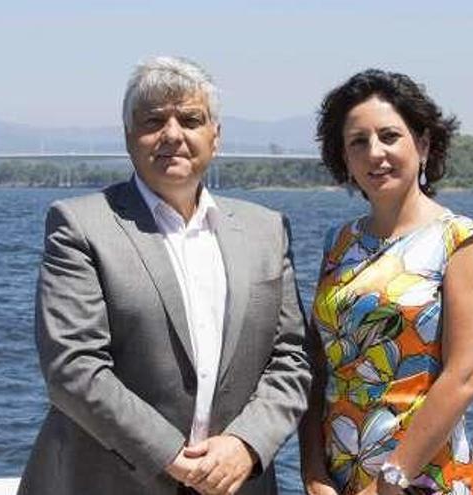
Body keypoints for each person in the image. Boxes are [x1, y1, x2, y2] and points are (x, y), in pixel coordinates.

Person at [18, 56, 312, 495]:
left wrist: (245, 444)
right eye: (154, 120)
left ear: (216, 136)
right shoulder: (80, 226)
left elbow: (292, 359)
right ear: (128, 136)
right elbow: (72, 368)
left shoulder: (266, 230)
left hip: (237, 483)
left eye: (190, 119)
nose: (172, 134)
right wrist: (170, 456)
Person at [299, 69, 473, 495]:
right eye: (359, 142)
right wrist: (313, 472)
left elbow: (464, 377)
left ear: (422, 145)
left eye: (390, 136)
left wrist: (389, 480)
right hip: (338, 477)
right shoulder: (339, 242)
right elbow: (318, 365)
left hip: (419, 479)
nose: (375, 153)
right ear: (345, 159)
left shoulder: (459, 240)